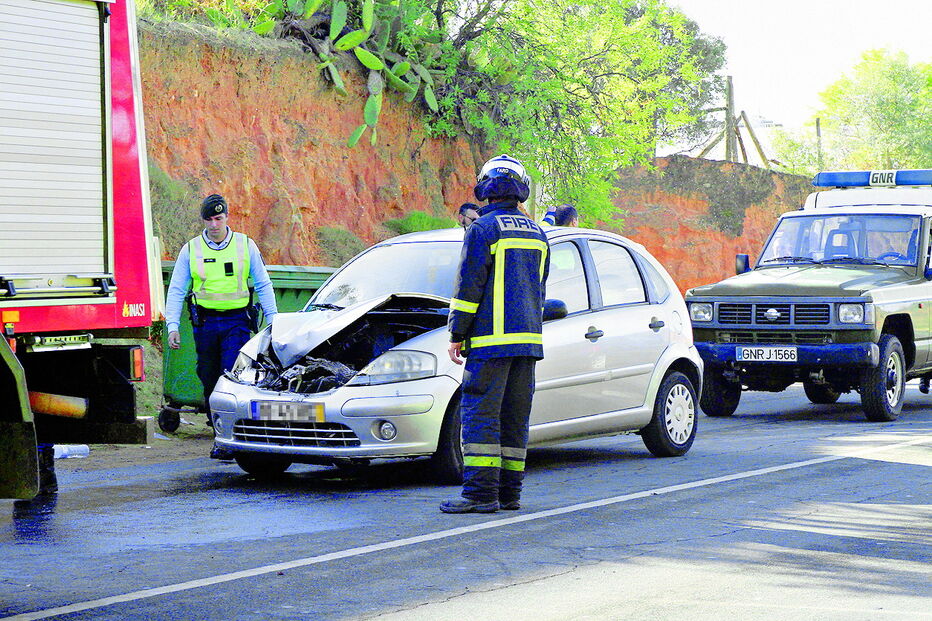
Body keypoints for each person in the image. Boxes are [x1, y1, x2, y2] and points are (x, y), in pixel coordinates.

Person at [441, 154, 550, 514]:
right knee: (514, 419)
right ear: (521, 189)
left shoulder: (483, 229)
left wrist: (456, 332)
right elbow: (540, 289)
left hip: (489, 345)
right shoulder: (538, 233)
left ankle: (479, 496)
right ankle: (509, 494)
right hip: (528, 345)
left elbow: (469, 287)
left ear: (485, 186)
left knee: (481, 417)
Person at [165, 194, 278, 430]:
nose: (214, 225)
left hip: (236, 321)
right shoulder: (191, 249)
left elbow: (263, 284)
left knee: (230, 372)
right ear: (203, 221)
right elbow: (176, 289)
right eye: (209, 220)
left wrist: (273, 320)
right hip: (204, 323)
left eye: (218, 218)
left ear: (227, 216)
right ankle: (216, 420)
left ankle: (227, 429)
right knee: (207, 374)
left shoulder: (245, 245)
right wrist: (172, 326)